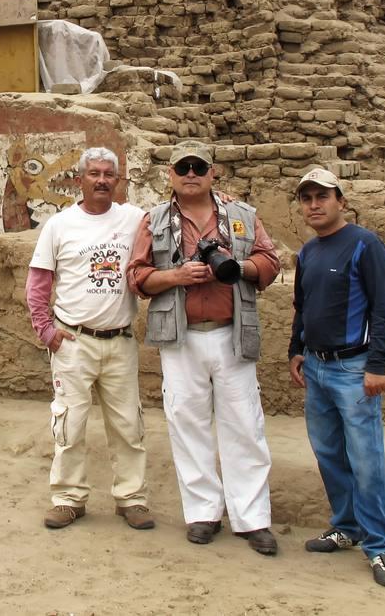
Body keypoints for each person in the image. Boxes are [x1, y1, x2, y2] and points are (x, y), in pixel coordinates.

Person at [128, 140, 280, 555]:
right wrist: (177, 276)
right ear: (170, 175)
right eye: (183, 167)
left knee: (245, 426)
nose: (191, 173)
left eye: (199, 166)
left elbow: (270, 262)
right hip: (181, 338)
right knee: (187, 424)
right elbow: (137, 277)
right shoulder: (154, 220)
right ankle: (203, 513)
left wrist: (236, 267)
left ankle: (252, 519)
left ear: (214, 173)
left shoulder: (242, 216)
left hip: (232, 333)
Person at [26, 147, 155, 532]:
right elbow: (38, 284)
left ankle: (131, 498)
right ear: (79, 179)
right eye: (94, 173)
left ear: (118, 180)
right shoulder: (59, 225)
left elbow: (176, 215)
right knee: (69, 425)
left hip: (119, 343)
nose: (101, 180)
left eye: (108, 174)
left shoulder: (134, 219)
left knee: (128, 425)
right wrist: (46, 331)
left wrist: (222, 197)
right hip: (74, 343)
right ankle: (68, 498)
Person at [289, 166, 385, 587]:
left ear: (341, 200)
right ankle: (347, 527)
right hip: (316, 368)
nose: (314, 205)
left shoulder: (364, 245)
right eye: (307, 198)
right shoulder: (309, 253)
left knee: (366, 459)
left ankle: (381, 546)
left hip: (355, 369)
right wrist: (295, 352)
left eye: (322, 197)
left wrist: (377, 366)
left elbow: (384, 310)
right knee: (329, 453)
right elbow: (303, 307)